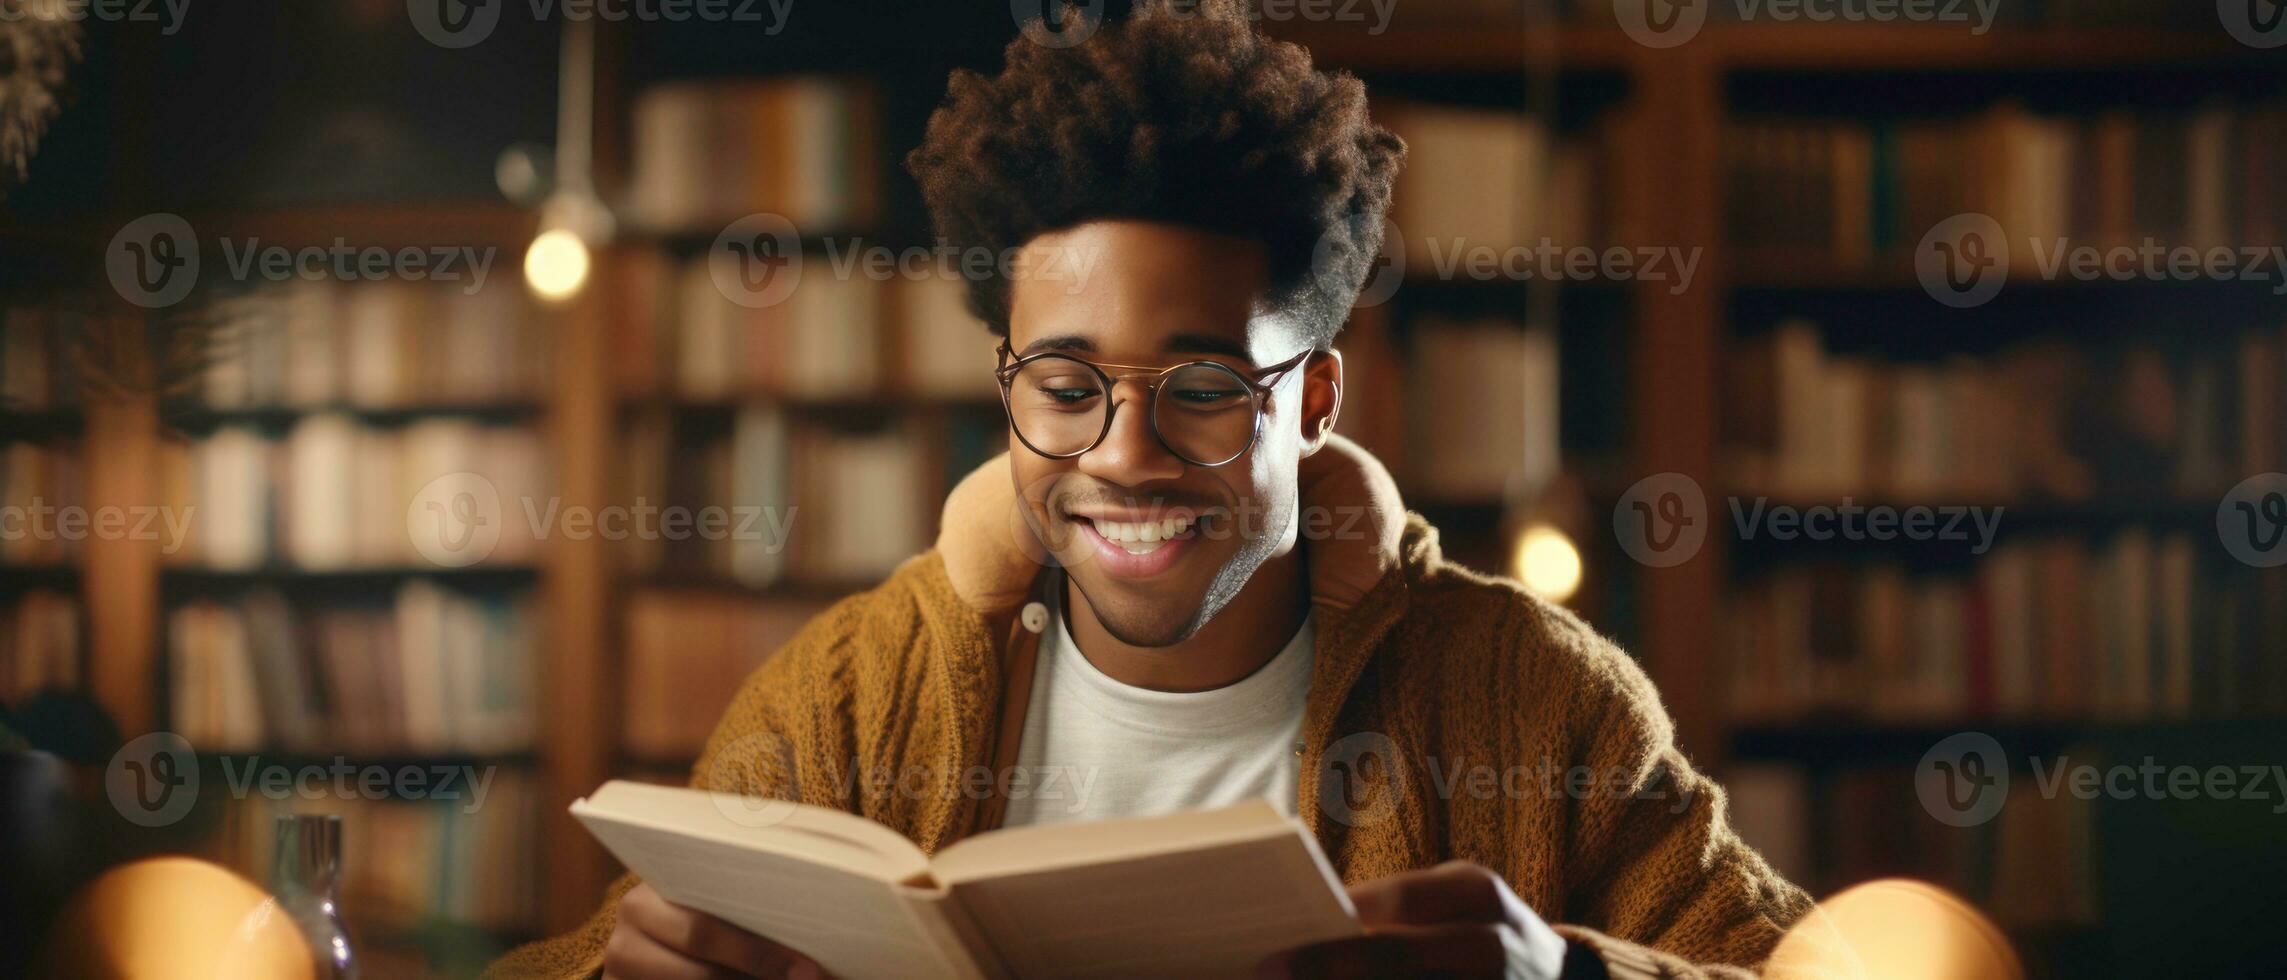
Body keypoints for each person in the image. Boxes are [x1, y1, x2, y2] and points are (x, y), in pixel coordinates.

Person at [493, 2, 1807, 976]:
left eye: (1202, 390)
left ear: (1316, 400)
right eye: (1065, 391)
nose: (1121, 456)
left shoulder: (1534, 698)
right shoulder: (846, 696)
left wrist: (1567, 973)